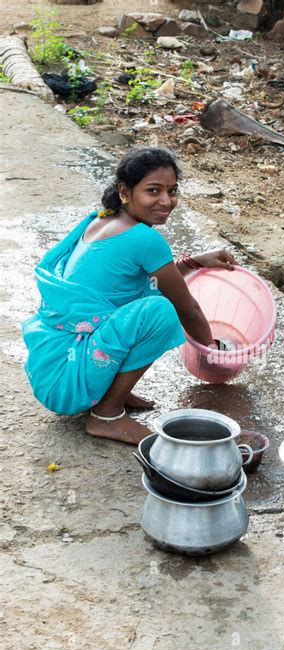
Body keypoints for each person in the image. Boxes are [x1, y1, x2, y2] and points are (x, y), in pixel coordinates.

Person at [22, 146, 237, 445]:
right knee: (160, 312)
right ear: (125, 191)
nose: (166, 201)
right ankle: (107, 415)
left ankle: (111, 390)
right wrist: (212, 351)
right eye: (153, 191)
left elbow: (138, 280)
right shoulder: (144, 238)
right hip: (68, 381)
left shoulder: (100, 220)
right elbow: (188, 309)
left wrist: (195, 261)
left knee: (138, 302)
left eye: (172, 190)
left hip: (53, 369)